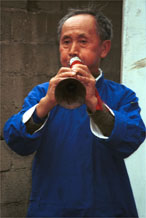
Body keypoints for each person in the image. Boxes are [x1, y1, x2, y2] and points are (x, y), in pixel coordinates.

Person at [3, 7, 145, 218]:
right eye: (66, 42)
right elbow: (16, 140)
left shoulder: (122, 95)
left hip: (107, 208)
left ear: (104, 48)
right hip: (51, 209)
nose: (72, 51)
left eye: (83, 41)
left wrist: (95, 103)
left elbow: (131, 139)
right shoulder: (42, 94)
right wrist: (46, 104)